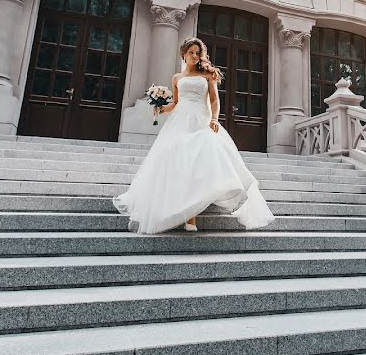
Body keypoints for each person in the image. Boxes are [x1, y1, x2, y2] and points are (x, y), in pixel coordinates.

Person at [113, 37, 275, 234]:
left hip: (201, 120)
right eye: (192, 52)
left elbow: (214, 100)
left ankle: (192, 214)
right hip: (180, 122)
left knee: (199, 159)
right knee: (179, 163)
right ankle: (184, 213)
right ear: (184, 54)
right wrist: (161, 109)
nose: (195, 56)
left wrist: (214, 119)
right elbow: (176, 103)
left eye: (198, 53)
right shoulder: (176, 78)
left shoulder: (207, 75)